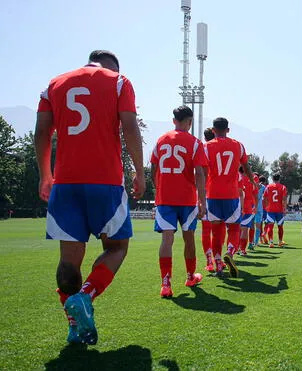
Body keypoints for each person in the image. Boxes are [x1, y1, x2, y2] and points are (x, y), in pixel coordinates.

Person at [34, 50, 144, 345]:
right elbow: (130, 127)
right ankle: (86, 295)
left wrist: (45, 175)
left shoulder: (53, 85)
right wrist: (139, 172)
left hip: (65, 184)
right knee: (117, 247)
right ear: (111, 66)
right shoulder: (119, 81)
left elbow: (42, 132)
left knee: (69, 263)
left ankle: (74, 325)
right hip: (104, 182)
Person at [151, 106, 207, 297]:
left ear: (173, 120)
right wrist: (202, 200)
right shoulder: (195, 143)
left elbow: (153, 168)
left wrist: (159, 188)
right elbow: (199, 173)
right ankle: (191, 276)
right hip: (187, 198)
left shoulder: (160, 140)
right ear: (190, 122)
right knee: (188, 238)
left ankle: (165, 284)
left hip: (165, 197)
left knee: (167, 239)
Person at [204, 117, 254, 278]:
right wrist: (253, 180)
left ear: (213, 130)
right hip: (231, 194)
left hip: (212, 194)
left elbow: (202, 171)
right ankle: (230, 252)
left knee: (216, 231)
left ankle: (218, 264)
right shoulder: (238, 146)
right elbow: (246, 166)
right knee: (234, 228)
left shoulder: (206, 147)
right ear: (228, 130)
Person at [201, 127, 216, 272]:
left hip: (204, 194)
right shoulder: (222, 148)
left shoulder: (202, 148)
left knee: (206, 230)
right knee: (218, 230)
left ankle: (209, 261)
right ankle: (218, 259)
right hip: (220, 195)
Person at [263, 174, 288, 247]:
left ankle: (271, 243)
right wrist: (284, 209)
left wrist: (266, 206)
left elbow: (265, 198)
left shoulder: (268, 187)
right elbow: (284, 199)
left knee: (270, 226)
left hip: (270, 210)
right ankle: (280, 242)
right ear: (279, 179)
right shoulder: (283, 187)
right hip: (279, 210)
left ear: (272, 179)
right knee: (280, 226)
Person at [238, 166, 257, 256]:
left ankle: (234, 248)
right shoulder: (252, 180)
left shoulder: (236, 178)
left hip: (236, 207)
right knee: (245, 229)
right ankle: (242, 250)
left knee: (235, 229)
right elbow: (255, 194)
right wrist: (256, 206)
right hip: (247, 208)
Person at [252, 175, 268, 246]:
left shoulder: (251, 186)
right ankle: (256, 242)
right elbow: (265, 198)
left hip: (252, 207)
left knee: (251, 226)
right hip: (260, 208)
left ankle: (251, 241)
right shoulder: (263, 187)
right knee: (258, 226)